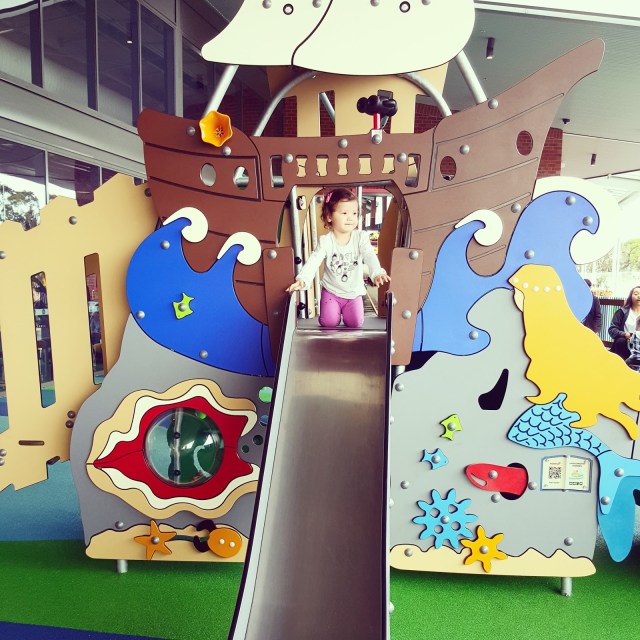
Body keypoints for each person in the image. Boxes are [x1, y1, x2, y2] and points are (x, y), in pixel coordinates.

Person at [286, 188, 390, 328]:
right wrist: (303, 279)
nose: (350, 218)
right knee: (329, 322)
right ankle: (331, 313)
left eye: (354, 213)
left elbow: (369, 255)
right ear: (329, 216)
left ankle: (347, 313)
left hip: (353, 293)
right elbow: (314, 260)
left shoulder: (360, 238)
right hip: (331, 292)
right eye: (344, 213)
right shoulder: (326, 241)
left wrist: (377, 272)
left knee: (355, 323)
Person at [608, 285, 640, 359]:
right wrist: (624, 334)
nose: (639, 296)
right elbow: (612, 330)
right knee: (620, 341)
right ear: (630, 296)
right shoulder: (622, 312)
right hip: (625, 344)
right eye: (636, 294)